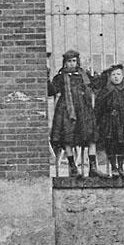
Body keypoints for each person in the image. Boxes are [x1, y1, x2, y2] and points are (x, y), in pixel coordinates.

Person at [49, 50, 106, 178]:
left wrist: (103, 76)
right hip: (67, 110)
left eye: (74, 61)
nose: (72, 64)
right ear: (65, 63)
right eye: (69, 61)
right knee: (68, 138)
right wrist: (46, 78)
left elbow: (95, 85)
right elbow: (52, 90)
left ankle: (93, 168)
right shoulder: (59, 77)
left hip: (84, 110)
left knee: (91, 137)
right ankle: (73, 167)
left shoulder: (83, 75)